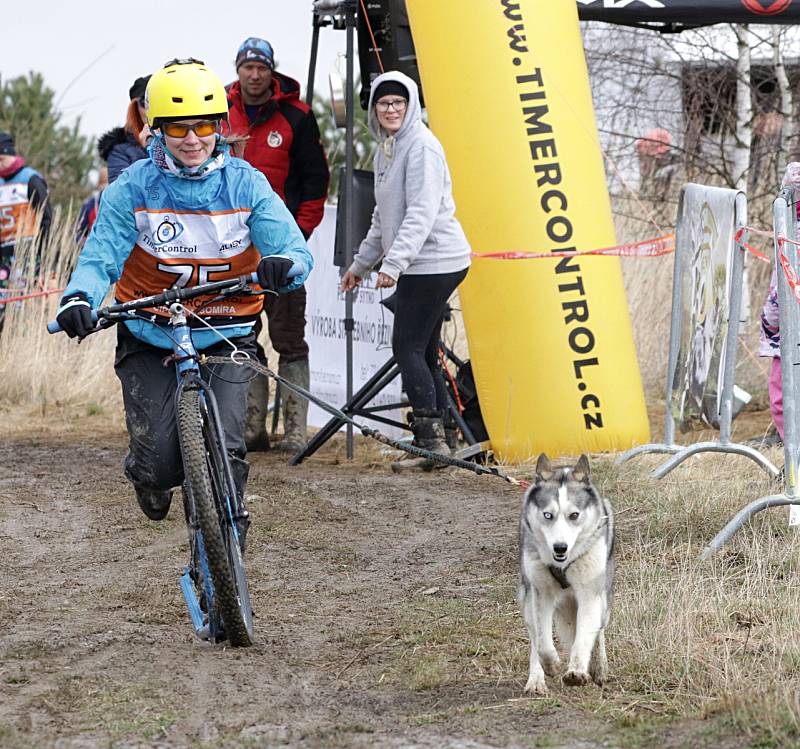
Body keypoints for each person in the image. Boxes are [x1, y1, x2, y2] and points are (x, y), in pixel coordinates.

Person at [55, 59, 313, 548]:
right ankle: (148, 478)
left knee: (229, 444)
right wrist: (79, 299)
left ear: (220, 126)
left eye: (202, 126)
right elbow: (99, 258)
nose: (191, 139)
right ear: (158, 129)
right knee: (159, 461)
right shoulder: (132, 186)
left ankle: (226, 543)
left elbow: (292, 248)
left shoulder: (246, 183)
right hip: (150, 329)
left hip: (226, 331)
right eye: (177, 127)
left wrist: (284, 262)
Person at [340, 71, 471, 472]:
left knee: (407, 348)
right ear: (374, 111)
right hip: (418, 262)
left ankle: (429, 442)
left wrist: (393, 265)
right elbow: (383, 217)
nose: (391, 109)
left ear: (411, 105)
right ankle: (443, 442)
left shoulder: (422, 148)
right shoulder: (388, 149)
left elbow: (422, 212)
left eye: (398, 102)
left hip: (435, 261)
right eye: (383, 103)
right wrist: (360, 266)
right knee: (424, 350)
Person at [225, 37, 329, 453]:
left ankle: (295, 432)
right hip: (231, 252)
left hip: (281, 252)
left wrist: (294, 239)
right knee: (238, 336)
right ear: (237, 70)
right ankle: (251, 429)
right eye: (247, 67)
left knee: (289, 338)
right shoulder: (217, 111)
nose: (254, 75)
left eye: (261, 68)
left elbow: (316, 183)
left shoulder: (297, 116)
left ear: (272, 72)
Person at [0, 131, 53, 328]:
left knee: (26, 306)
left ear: (11, 155)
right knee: (3, 307)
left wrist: (43, 253)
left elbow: (46, 218)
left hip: (29, 255)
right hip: (5, 257)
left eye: (2, 159)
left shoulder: (30, 179)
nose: (0, 165)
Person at [97, 76, 151, 184]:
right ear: (134, 108)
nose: (151, 109)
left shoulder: (186, 138)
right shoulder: (120, 151)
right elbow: (121, 195)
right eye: (145, 102)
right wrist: (150, 148)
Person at [75, 166, 108, 245]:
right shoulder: (90, 205)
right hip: (92, 252)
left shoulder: (120, 205)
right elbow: (78, 234)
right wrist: (90, 242)